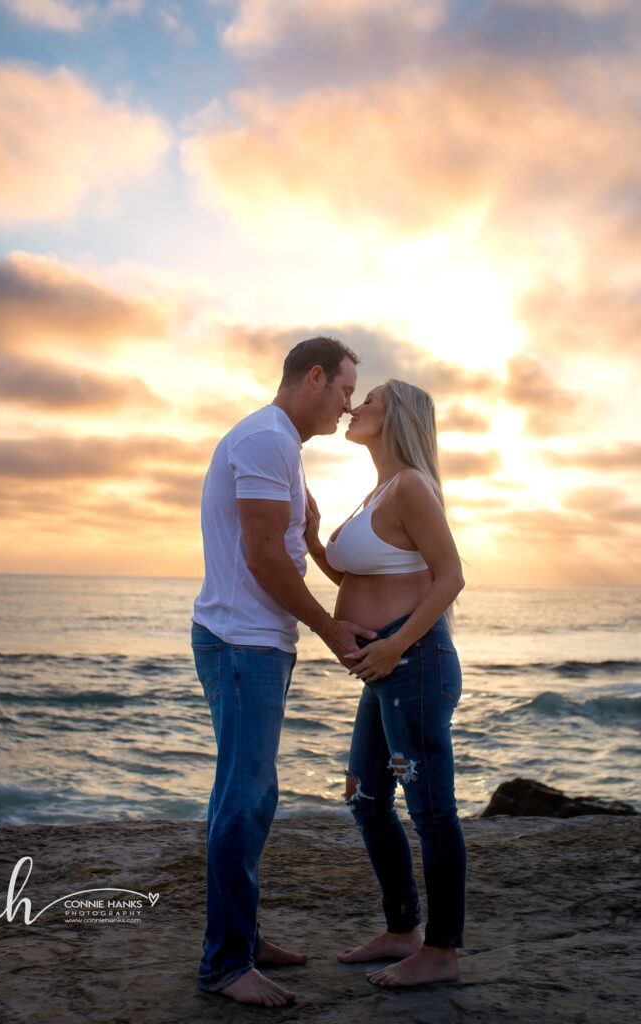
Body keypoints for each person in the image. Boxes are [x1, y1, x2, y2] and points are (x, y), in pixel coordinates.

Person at [190, 337, 377, 1007]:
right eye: (344, 390)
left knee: (249, 795)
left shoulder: (280, 447)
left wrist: (336, 566)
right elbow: (266, 558)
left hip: (252, 639)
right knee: (243, 798)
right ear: (315, 376)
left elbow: (296, 541)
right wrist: (329, 627)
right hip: (242, 643)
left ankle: (241, 935)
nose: (347, 405)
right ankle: (224, 964)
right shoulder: (267, 439)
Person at [305, 378, 466, 988]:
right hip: (385, 669)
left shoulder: (413, 487)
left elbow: (450, 577)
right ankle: (404, 930)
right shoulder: (378, 491)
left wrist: (396, 644)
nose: (355, 406)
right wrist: (314, 542)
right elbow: (358, 575)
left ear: (394, 415)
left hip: (414, 661)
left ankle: (442, 952)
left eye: (368, 399)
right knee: (366, 799)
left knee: (430, 811)